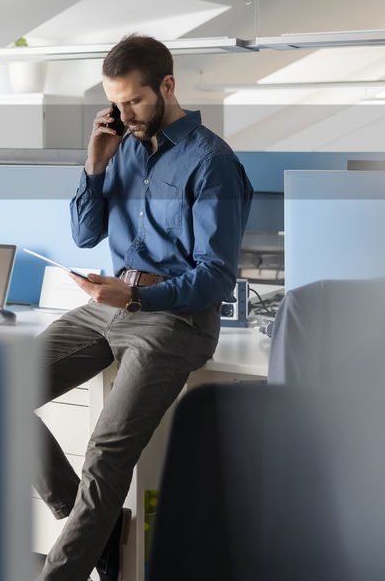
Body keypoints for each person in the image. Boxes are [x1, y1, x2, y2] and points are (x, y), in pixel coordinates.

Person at [35, 34, 252, 581]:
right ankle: (99, 531)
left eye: (134, 101)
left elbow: (215, 279)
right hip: (109, 305)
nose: (124, 113)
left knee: (105, 456)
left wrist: (134, 295)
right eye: (116, 102)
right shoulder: (123, 146)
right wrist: (94, 164)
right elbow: (86, 235)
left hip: (173, 319)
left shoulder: (213, 163)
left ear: (167, 87)